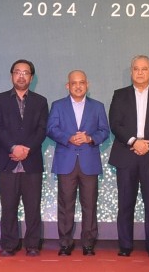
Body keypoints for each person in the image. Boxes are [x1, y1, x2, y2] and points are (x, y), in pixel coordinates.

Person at [107, 55, 149, 258]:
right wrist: (134, 141)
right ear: (131, 72)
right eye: (136, 69)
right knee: (126, 202)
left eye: (144, 69)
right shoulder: (120, 95)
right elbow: (115, 123)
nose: (140, 72)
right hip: (127, 153)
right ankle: (125, 245)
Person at [47, 70, 110, 256]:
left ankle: (88, 244)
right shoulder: (58, 106)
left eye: (81, 82)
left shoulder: (97, 106)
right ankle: (65, 243)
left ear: (87, 84)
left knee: (89, 205)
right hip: (66, 161)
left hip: (89, 162)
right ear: (68, 86)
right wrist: (68, 138)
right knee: (66, 204)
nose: (78, 86)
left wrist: (90, 138)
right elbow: (51, 129)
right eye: (74, 83)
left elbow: (104, 131)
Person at [0, 59, 48, 257]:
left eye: (26, 73)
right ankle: (9, 244)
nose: (21, 76)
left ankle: (32, 244)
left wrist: (27, 149)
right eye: (17, 72)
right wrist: (14, 147)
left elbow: (42, 129)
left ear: (31, 77)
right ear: (11, 75)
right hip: (7, 159)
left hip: (31, 161)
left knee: (33, 206)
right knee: (8, 206)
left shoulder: (41, 101)